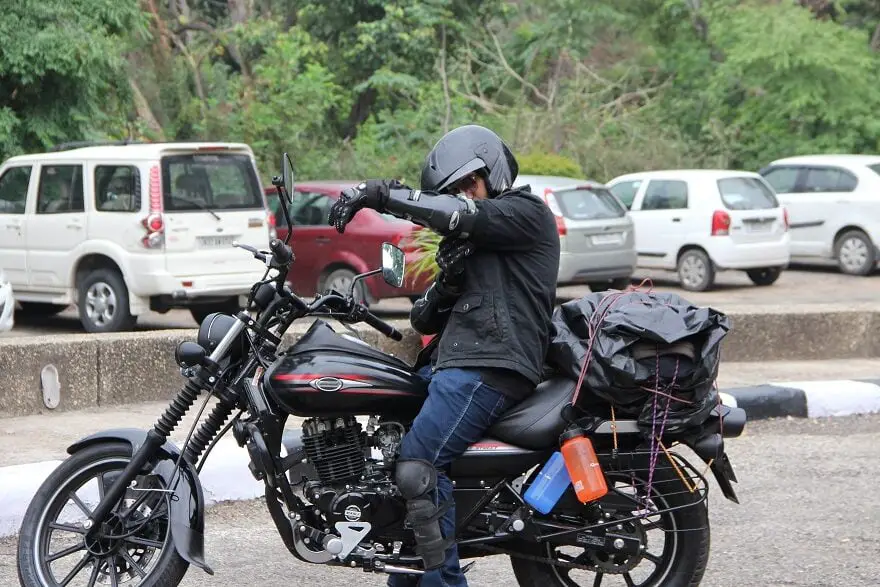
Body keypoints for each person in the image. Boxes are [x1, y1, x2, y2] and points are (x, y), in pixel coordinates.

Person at [327, 124, 561, 586]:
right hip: (458, 368)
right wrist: (450, 282)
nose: (461, 196)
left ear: (491, 171)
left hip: (491, 366)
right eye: (453, 190)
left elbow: (459, 215)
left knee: (419, 464)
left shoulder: (524, 213)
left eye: (467, 184)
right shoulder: (477, 242)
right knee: (398, 464)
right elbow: (423, 320)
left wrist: (380, 194)